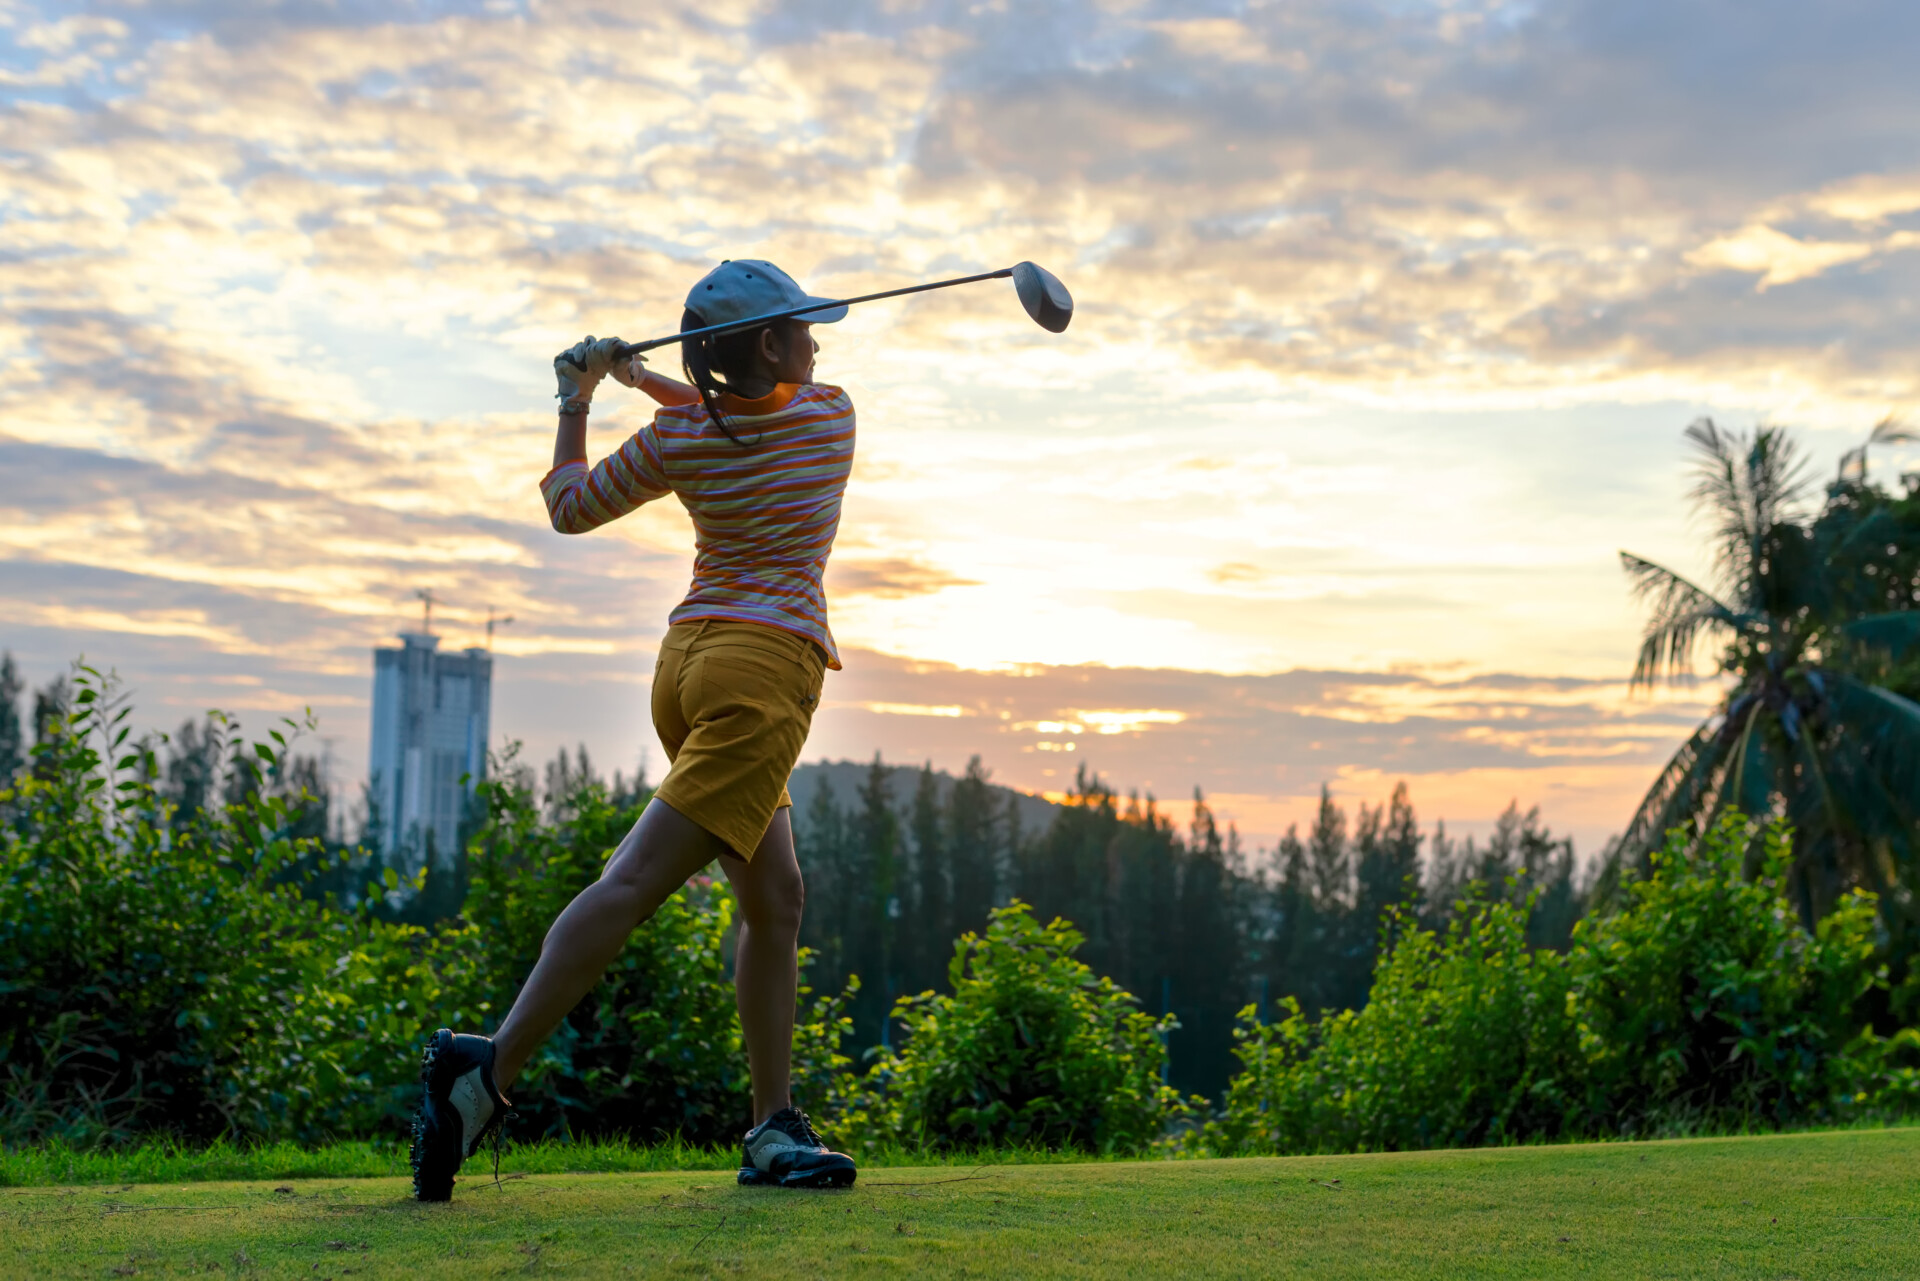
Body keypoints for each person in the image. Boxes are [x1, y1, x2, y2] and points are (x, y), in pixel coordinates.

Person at [408, 260, 860, 1201]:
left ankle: (771, 1126)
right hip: (761, 681)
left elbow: (571, 506)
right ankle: (486, 1073)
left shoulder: (679, 436)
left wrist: (579, 397)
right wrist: (647, 377)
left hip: (685, 668)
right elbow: (754, 402)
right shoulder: (830, 419)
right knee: (631, 884)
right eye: (803, 328)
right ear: (772, 345)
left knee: (775, 895)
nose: (818, 343)